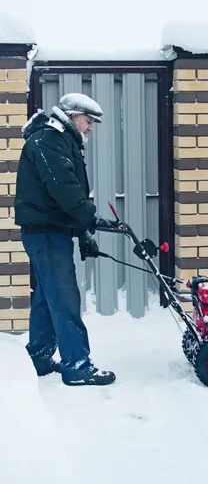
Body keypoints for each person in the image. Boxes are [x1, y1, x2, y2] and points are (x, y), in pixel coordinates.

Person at [15, 93, 116, 386]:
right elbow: (64, 188)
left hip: (50, 231)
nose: (90, 128)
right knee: (64, 298)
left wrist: (82, 233)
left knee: (48, 298)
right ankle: (78, 366)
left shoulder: (59, 140)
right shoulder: (49, 139)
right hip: (44, 233)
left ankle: (40, 358)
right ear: (72, 116)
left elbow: (62, 195)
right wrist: (89, 218)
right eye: (88, 121)